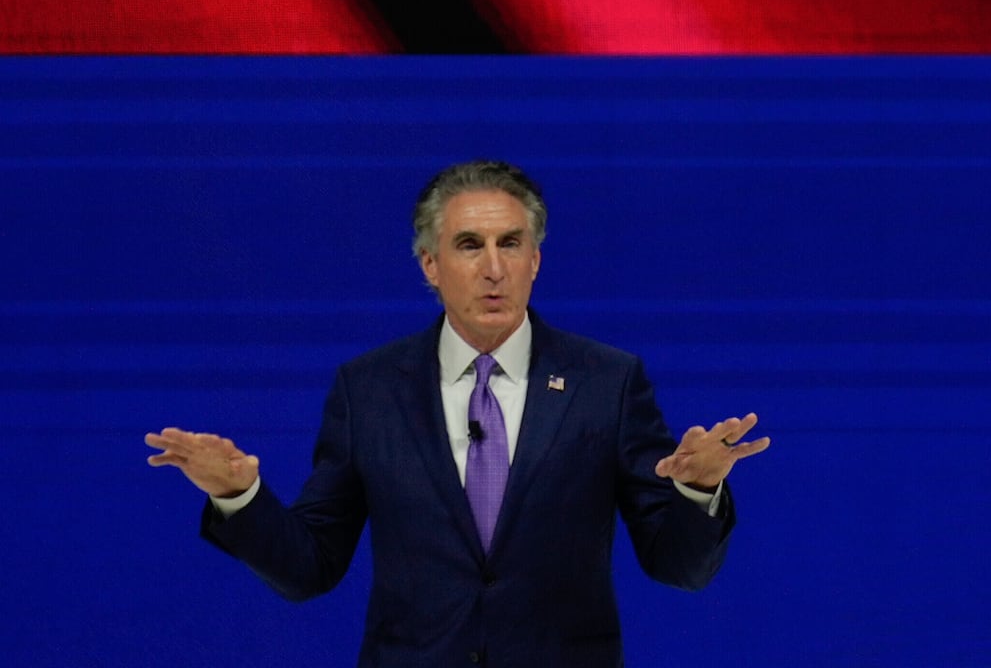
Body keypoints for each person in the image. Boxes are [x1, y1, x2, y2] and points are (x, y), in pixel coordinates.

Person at [147, 159, 766, 667]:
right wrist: (240, 497)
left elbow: (678, 568)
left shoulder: (607, 382)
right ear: (430, 265)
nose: (493, 268)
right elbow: (309, 568)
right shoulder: (369, 390)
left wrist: (697, 491)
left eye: (511, 244)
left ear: (535, 261)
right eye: (470, 245)